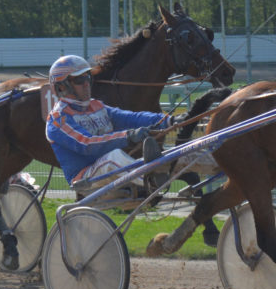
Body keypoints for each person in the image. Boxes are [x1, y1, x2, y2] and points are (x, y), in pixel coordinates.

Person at [45, 55, 184, 193]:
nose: (86, 83)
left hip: (109, 168)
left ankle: (200, 166)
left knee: (172, 154)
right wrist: (127, 136)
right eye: (79, 79)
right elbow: (87, 144)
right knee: (115, 157)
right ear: (62, 87)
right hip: (84, 178)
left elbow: (131, 118)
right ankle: (152, 181)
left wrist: (168, 120)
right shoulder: (58, 120)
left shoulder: (96, 106)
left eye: (87, 77)